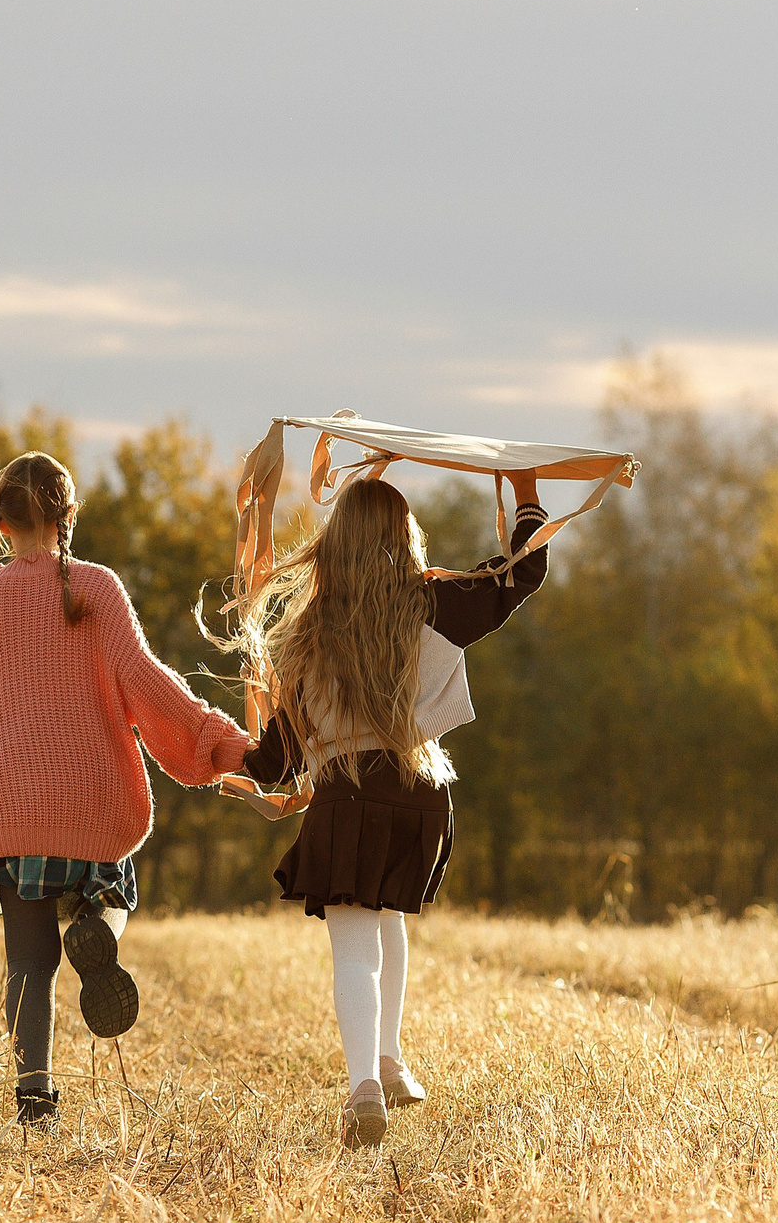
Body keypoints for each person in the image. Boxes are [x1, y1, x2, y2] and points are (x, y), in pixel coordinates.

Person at [0, 452, 252, 1133]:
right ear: (71, 516)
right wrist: (230, 745)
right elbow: (151, 687)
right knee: (116, 879)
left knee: (27, 960)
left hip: (6, 819)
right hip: (90, 810)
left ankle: (34, 1094)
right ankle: (99, 928)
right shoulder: (95, 588)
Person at [228, 471, 551, 1148]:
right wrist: (524, 494)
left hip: (348, 795)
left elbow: (277, 757)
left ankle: (363, 1089)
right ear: (405, 538)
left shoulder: (308, 631)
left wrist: (225, 761)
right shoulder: (435, 603)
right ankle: (390, 1060)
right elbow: (522, 572)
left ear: (334, 544)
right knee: (388, 915)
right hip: (420, 796)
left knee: (355, 945)